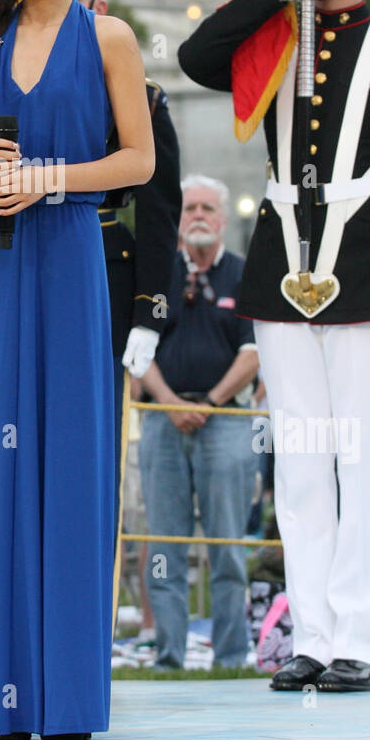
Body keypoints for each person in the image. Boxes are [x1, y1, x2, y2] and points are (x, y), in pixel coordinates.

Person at [178, 0, 370, 692]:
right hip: (282, 267)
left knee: (362, 460)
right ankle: (315, 637)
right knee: (298, 463)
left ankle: (361, 640)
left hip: (367, 270)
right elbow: (196, 57)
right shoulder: (273, 39)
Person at [0, 0, 154, 740]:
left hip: (68, 253)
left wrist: (50, 178)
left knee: (69, 460)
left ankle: (63, 701)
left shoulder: (111, 38)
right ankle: (0, 698)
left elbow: (137, 161)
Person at [74, 0, 182, 584]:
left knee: (96, 451)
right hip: (25, 265)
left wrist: (148, 312)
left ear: (101, 6)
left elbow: (160, 215)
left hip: (102, 273)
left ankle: (92, 598)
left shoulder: (140, 97)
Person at [137, 175, 259, 668]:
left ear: (224, 219)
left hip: (226, 421)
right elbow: (138, 349)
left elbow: (254, 353)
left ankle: (231, 657)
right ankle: (168, 655)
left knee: (227, 546)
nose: (199, 216)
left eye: (208, 208)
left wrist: (209, 402)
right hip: (162, 420)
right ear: (178, 218)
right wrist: (170, 402)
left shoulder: (245, 273)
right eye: (190, 208)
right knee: (164, 546)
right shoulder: (156, 274)